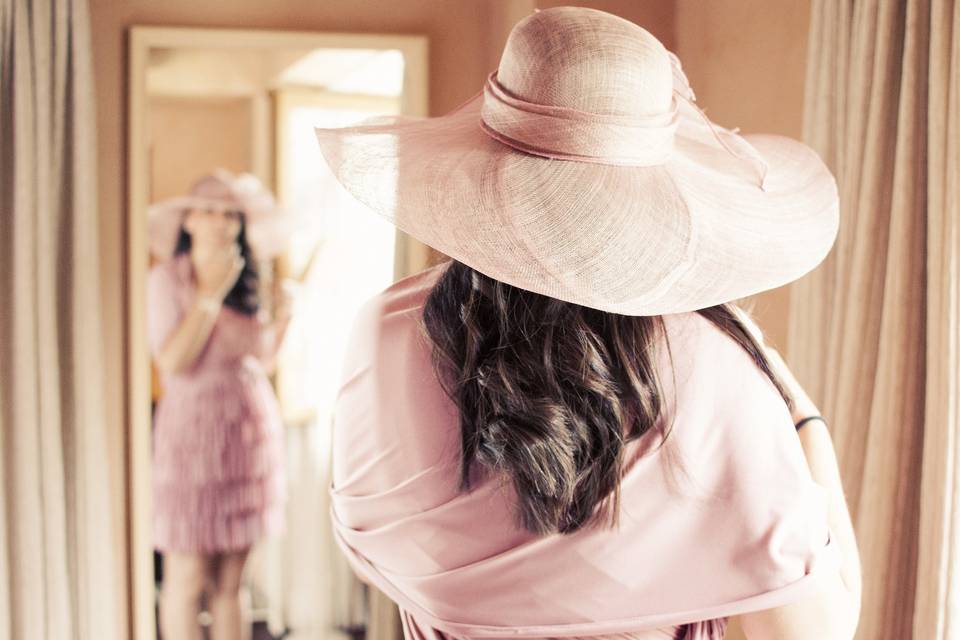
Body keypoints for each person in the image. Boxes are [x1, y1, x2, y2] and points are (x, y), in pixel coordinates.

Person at [314, 6, 862, 640]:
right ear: (657, 188)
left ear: (482, 164)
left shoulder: (386, 333)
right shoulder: (713, 369)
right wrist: (804, 420)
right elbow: (814, 631)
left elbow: (369, 549)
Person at [146, 169, 294, 640]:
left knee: (232, 585)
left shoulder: (252, 279)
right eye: (208, 211)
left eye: (230, 214)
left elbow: (261, 358)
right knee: (186, 579)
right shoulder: (167, 279)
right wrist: (210, 292)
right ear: (187, 221)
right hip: (189, 435)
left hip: (248, 433)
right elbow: (173, 360)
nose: (220, 222)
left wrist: (287, 317)